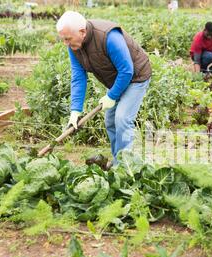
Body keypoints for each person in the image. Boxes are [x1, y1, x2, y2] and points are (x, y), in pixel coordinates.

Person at [56, 11, 152, 166]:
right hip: (118, 79)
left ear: (82, 32)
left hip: (136, 76)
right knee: (110, 121)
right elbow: (78, 77)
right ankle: (117, 162)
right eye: (63, 39)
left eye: (68, 39)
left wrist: (112, 96)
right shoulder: (74, 46)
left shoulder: (108, 36)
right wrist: (75, 111)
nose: (66, 43)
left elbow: (127, 70)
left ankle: (125, 167)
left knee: (122, 118)